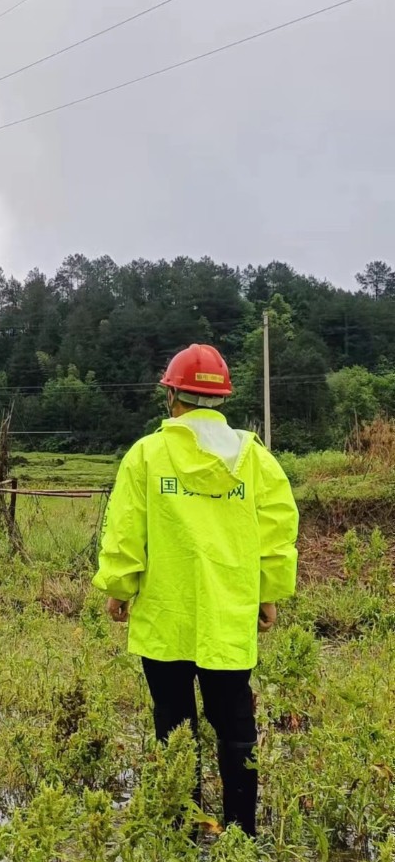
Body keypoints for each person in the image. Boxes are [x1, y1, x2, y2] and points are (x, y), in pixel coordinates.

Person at [93, 343, 298, 836]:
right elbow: (276, 530)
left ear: (173, 397)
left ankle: (180, 826)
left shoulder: (146, 455)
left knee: (174, 723)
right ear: (221, 399)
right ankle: (241, 832)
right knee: (234, 726)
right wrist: (267, 592)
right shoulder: (255, 460)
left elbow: (126, 531)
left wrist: (119, 588)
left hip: (166, 614)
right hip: (228, 615)